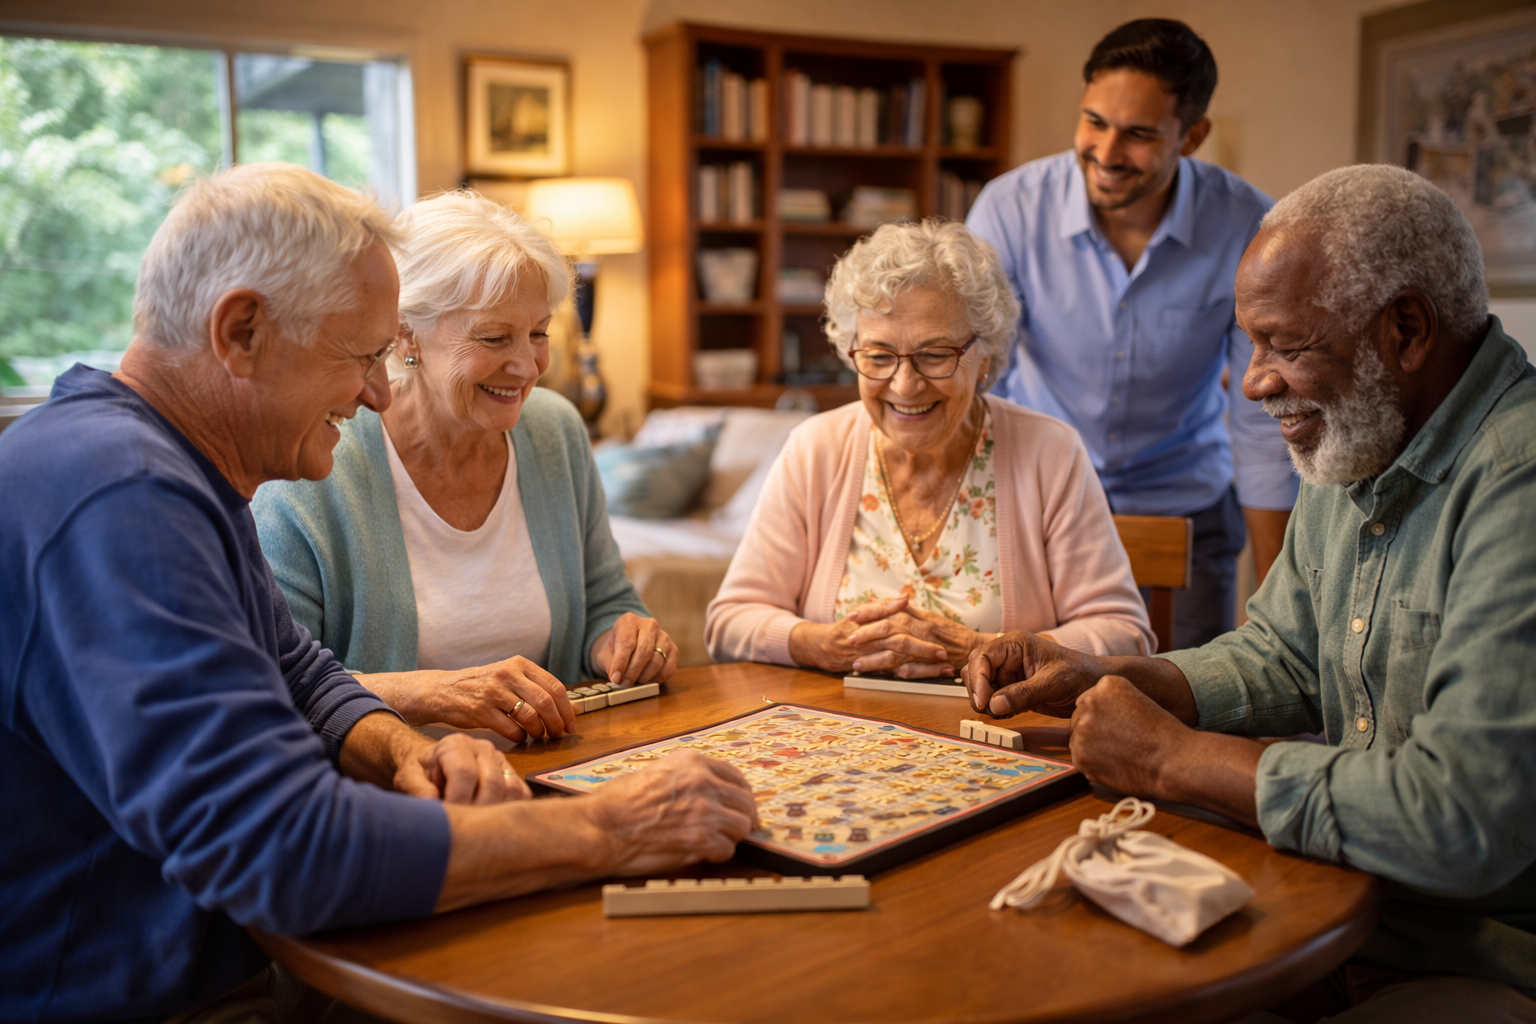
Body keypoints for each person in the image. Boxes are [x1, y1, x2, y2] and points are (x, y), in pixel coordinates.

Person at [0, 163, 756, 1022]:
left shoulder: (177, 470)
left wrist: (402, 750)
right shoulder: (122, 497)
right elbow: (286, 849)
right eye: (360, 356)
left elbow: (299, 672)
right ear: (241, 331)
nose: (377, 391)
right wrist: (613, 828)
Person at [964, 165, 1536, 1022]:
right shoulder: (1365, 431)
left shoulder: (1517, 480)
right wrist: (1106, 674)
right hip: (1334, 910)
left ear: (1407, 329)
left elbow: (1460, 819)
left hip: (1481, 957)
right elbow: (1282, 654)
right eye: (1250, 344)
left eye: (1286, 345)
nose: (1254, 380)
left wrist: (1174, 759)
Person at [254, 191, 675, 745]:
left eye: (539, 333)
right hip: (396, 785)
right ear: (405, 333)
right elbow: (273, 684)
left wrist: (623, 640)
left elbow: (605, 599)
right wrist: (437, 693)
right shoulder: (315, 463)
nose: (526, 367)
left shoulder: (555, 430)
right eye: (494, 337)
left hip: (552, 768)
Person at [966, 18, 1296, 650]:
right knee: (1029, 691)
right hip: (1040, 504)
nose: (1107, 152)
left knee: (1192, 695)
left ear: (1192, 136)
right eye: (1094, 121)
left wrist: (1282, 618)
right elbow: (978, 378)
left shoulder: (1249, 226)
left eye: (1139, 134)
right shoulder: (1009, 210)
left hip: (1189, 508)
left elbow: (1262, 421)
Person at [705, 220, 1153, 678]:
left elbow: (1125, 633)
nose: (905, 385)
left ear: (984, 355)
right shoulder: (815, 448)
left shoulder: (1050, 453)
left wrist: (983, 651)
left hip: (993, 719)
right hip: (833, 719)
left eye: (935, 355)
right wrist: (820, 645)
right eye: (879, 356)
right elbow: (729, 622)